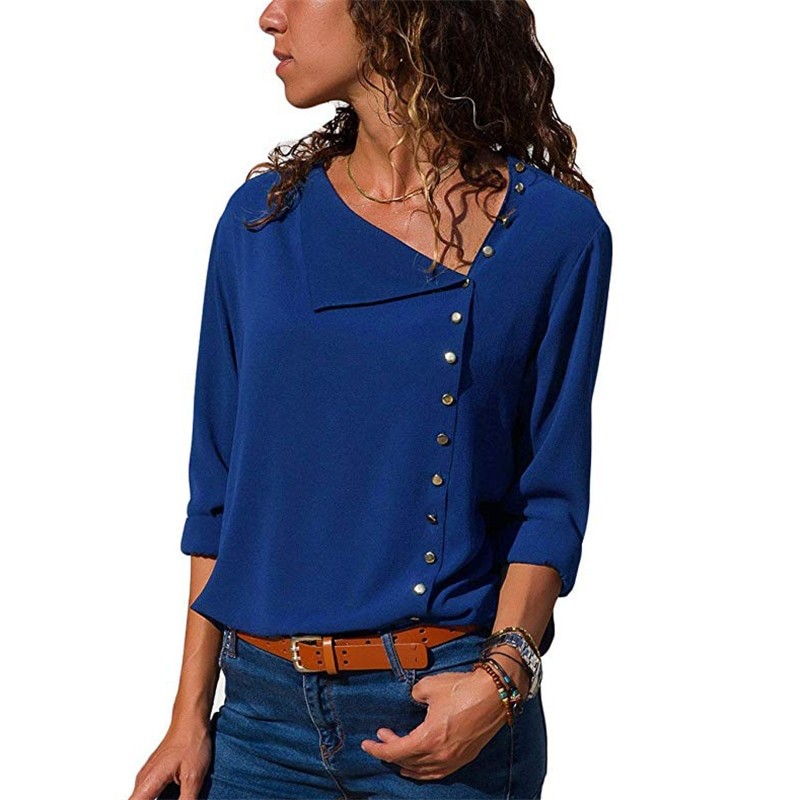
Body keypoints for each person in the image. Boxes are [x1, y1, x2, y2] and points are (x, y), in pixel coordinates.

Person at [129, 1, 613, 798]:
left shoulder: (555, 234)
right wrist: (188, 717)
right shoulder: (258, 225)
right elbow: (217, 496)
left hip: (443, 719)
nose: (270, 16)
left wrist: (499, 685)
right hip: (259, 728)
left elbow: (551, 496)